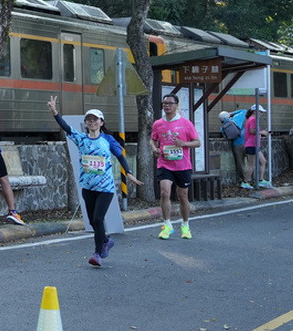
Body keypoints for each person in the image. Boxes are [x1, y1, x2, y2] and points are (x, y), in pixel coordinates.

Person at [49, 97, 142, 267]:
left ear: (101, 122)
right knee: (93, 222)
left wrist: (128, 172)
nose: (91, 122)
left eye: (95, 119)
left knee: (98, 219)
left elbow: (120, 155)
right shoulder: (81, 139)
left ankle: (98, 253)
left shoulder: (107, 140)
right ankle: (106, 241)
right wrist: (55, 112)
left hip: (105, 188)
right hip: (88, 187)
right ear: (85, 123)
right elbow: (66, 128)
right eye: (88, 119)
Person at [151, 93, 201, 240]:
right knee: (164, 193)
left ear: (177, 105)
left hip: (182, 165)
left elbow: (197, 142)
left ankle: (185, 225)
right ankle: (167, 225)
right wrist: (155, 149)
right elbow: (152, 140)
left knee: (182, 196)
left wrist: (184, 144)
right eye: (165, 103)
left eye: (170, 103)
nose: (167, 106)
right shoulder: (158, 124)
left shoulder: (186, 123)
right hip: (165, 163)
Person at [242, 106, 271, 188]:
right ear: (254, 111)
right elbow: (252, 131)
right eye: (260, 112)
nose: (261, 114)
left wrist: (262, 132)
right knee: (251, 164)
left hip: (254, 144)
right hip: (252, 144)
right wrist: (262, 132)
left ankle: (261, 180)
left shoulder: (250, 119)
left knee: (263, 161)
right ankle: (245, 182)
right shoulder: (253, 119)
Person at [219, 110, 246, 184]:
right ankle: (256, 179)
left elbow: (227, 137)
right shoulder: (236, 119)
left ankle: (245, 181)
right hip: (245, 142)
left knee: (241, 164)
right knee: (252, 161)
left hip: (236, 145)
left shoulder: (222, 128)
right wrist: (232, 113)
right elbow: (244, 111)